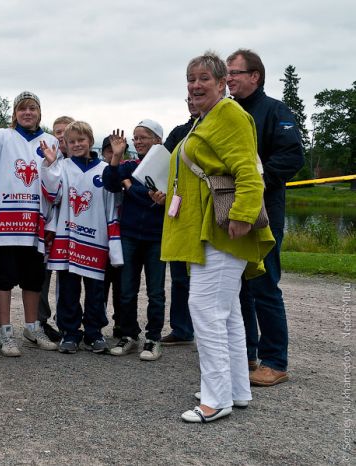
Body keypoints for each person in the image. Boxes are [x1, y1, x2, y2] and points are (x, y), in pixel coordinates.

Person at [161, 51, 274, 423]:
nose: (195, 85)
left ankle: (215, 400)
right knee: (225, 315)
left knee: (206, 310)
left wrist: (242, 215)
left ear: (222, 82)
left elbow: (247, 167)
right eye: (191, 79)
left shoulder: (228, 114)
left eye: (204, 79)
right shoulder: (206, 118)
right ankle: (235, 390)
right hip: (210, 228)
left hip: (223, 227)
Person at [227, 49, 304, 386]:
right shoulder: (227, 113)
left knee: (263, 284)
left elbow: (292, 157)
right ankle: (246, 353)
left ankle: (275, 361)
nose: (228, 78)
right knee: (237, 285)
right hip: (229, 210)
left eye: (234, 73)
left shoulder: (275, 111)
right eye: (227, 73)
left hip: (264, 211)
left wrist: (254, 183)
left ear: (254, 76)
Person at [0, 91, 60, 357]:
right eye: (22, 108)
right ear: (15, 113)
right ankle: (5, 331)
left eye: (32, 108)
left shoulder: (50, 141)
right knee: (4, 279)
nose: (27, 113)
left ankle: (32, 327)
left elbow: (56, 184)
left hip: (35, 224)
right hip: (8, 223)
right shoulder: (0, 137)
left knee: (33, 280)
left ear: (39, 112)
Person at [40, 121, 123, 353]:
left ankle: (94, 332)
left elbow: (114, 197)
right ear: (65, 143)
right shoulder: (62, 167)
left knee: (96, 289)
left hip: (96, 239)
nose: (77, 145)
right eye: (72, 141)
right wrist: (49, 163)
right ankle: (70, 332)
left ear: (90, 141)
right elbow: (52, 195)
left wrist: (116, 158)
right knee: (68, 288)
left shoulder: (103, 169)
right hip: (68, 238)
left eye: (81, 140)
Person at [103, 120, 167, 361]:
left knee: (156, 292)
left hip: (156, 237)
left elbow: (162, 197)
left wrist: (130, 188)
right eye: (136, 138)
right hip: (130, 235)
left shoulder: (167, 166)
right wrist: (116, 157)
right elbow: (110, 184)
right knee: (127, 290)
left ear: (158, 140)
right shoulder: (129, 165)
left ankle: (153, 338)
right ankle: (129, 334)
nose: (139, 142)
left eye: (144, 137)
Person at [160, 96, 200, 346]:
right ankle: (182, 328)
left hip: (206, 209)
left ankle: (208, 333)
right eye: (189, 99)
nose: (193, 103)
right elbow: (160, 166)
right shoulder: (179, 133)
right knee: (179, 276)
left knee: (206, 276)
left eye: (198, 97)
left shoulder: (216, 127)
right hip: (179, 210)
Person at [37, 115, 75, 343]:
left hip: (73, 227)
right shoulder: (51, 160)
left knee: (68, 278)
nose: (60, 136)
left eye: (65, 131)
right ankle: (40, 320)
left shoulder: (82, 162)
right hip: (51, 226)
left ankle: (67, 322)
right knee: (42, 276)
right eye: (57, 132)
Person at [99, 136, 123, 323]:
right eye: (110, 151)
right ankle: (98, 320)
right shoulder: (98, 174)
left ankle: (121, 323)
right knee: (101, 282)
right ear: (103, 153)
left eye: (118, 151)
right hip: (102, 235)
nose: (114, 154)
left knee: (123, 285)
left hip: (123, 235)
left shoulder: (129, 172)